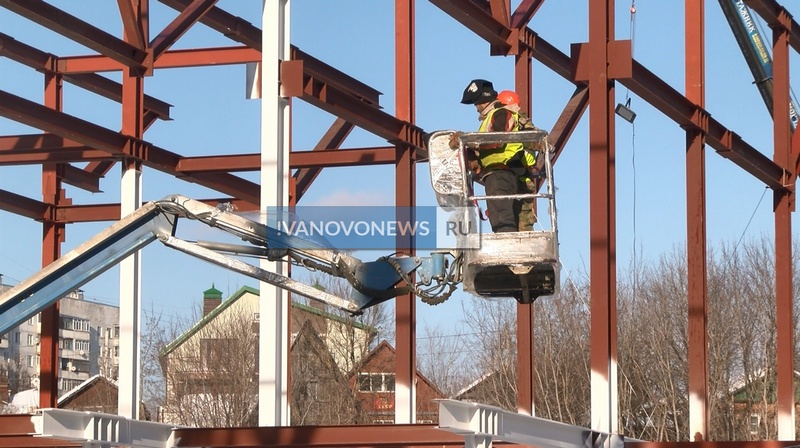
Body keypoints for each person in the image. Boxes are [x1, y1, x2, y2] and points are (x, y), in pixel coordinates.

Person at [453, 79, 528, 233]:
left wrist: (468, 141)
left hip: (501, 173)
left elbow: (497, 139)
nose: (476, 109)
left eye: (476, 104)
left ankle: (506, 248)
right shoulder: (495, 115)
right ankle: (508, 244)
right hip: (501, 173)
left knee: (501, 217)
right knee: (500, 214)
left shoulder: (501, 113)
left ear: (483, 101)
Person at [496, 90, 541, 231]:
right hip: (518, 174)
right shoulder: (521, 122)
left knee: (515, 218)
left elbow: (532, 141)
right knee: (513, 216)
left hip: (517, 173)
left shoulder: (515, 120)